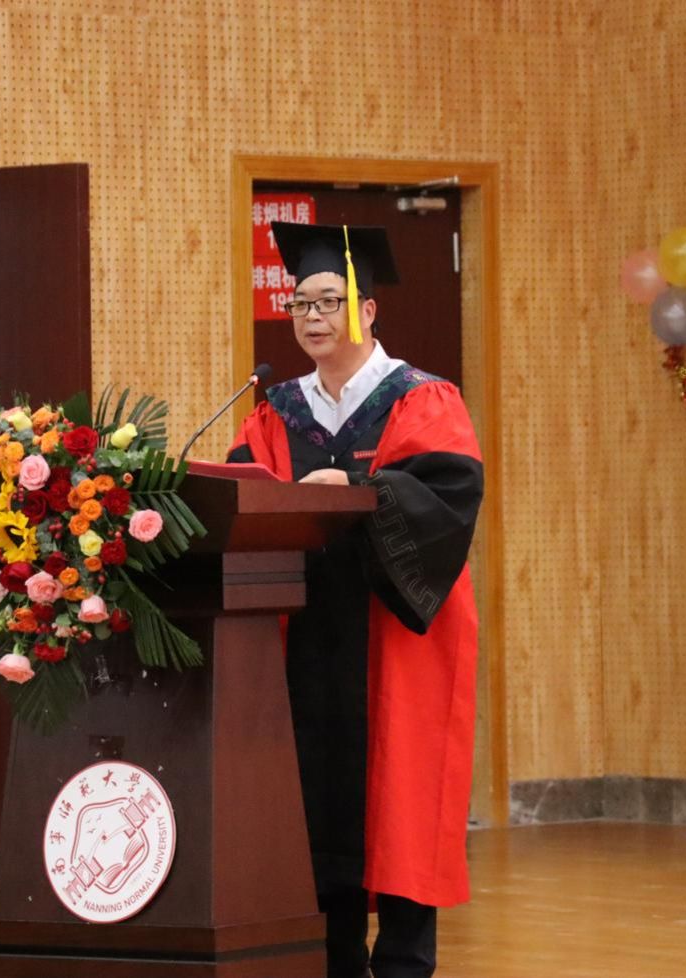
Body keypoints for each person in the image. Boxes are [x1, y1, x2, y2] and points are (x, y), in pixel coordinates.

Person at [227, 222, 484, 978]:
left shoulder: (421, 398)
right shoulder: (276, 410)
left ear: (367, 310)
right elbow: (244, 495)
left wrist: (360, 489)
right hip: (303, 633)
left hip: (394, 632)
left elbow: (449, 495)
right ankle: (332, 960)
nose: (312, 316)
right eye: (300, 303)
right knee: (313, 795)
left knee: (404, 794)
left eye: (328, 301)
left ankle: (404, 962)